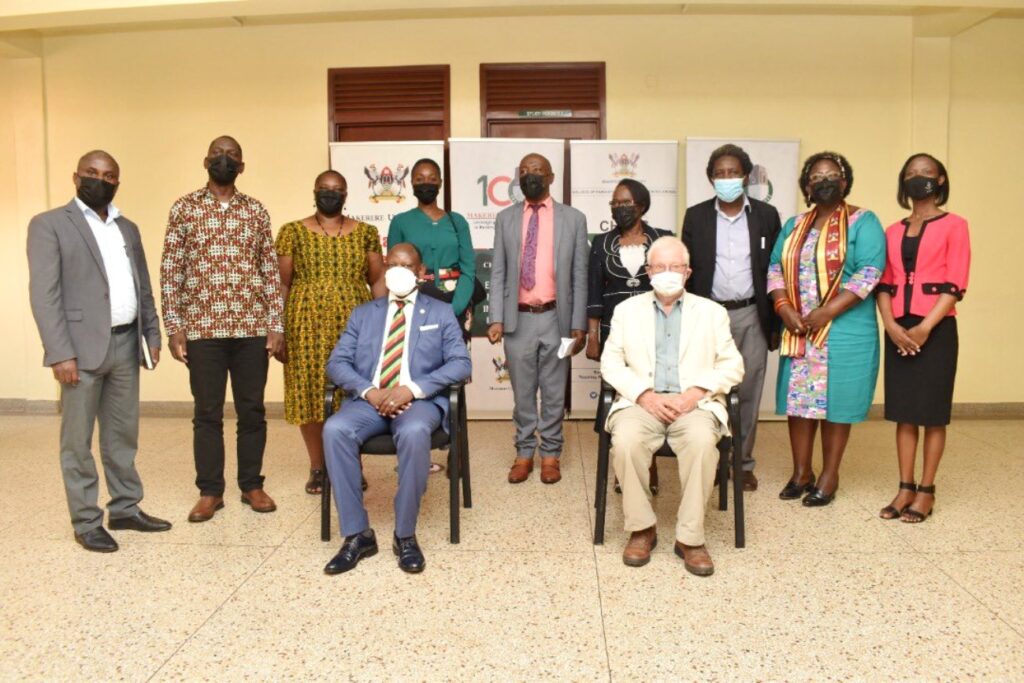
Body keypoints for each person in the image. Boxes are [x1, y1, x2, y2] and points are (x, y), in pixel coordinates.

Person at [27, 150, 171, 552]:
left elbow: (142, 286)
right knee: (77, 440)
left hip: (126, 344)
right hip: (79, 348)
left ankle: (125, 508)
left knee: (122, 435)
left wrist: (152, 333)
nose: (100, 180)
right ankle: (87, 520)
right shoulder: (50, 225)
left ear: (117, 183)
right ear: (76, 177)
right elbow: (45, 294)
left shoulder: (128, 228)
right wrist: (60, 353)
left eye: (108, 175)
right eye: (92, 173)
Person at [321, 243, 472, 575]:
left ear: (421, 273)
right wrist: (370, 391)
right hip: (369, 402)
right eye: (393, 265)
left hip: (417, 402)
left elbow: (461, 364)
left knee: (416, 431)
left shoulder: (440, 312)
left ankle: (404, 534)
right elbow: (337, 363)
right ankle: (357, 535)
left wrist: (411, 389)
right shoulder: (364, 313)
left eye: (407, 266)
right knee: (334, 429)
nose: (399, 271)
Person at [601, 237, 743, 576]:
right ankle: (641, 528)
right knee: (626, 442)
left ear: (688, 272)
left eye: (675, 267)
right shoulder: (626, 311)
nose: (667, 273)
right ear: (647, 272)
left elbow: (733, 365)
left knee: (701, 444)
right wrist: (644, 396)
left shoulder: (712, 312)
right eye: (659, 267)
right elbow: (610, 364)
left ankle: (690, 538)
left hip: (693, 404)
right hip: (642, 401)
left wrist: (694, 394)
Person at [160, 135, 285, 523]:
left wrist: (275, 324)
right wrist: (174, 325)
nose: (224, 160)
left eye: (232, 156)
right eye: (217, 154)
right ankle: (210, 492)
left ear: (242, 166)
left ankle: (251, 485)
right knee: (207, 414)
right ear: (205, 161)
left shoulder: (256, 212)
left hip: (250, 328)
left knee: (252, 411)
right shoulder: (184, 209)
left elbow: (270, 272)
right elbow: (170, 270)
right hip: (203, 329)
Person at [768, 151, 886, 506]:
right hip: (800, 330)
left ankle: (829, 475)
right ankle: (801, 472)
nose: (824, 181)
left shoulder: (864, 222)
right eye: (816, 177)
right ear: (807, 185)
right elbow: (775, 267)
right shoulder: (793, 225)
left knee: (837, 404)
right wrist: (783, 306)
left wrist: (827, 312)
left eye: (832, 175)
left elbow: (869, 272)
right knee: (799, 403)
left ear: (845, 182)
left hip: (844, 331)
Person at [276, 170, 385, 495]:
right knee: (310, 396)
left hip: (356, 325)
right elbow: (281, 284)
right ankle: (319, 467)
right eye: (324, 189)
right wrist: (277, 329)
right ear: (314, 191)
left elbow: (377, 279)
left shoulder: (365, 232)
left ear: (346, 194)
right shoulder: (291, 232)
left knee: (354, 393)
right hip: (304, 327)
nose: (330, 194)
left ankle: (353, 465)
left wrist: (382, 325)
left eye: (337, 189)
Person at [682, 144, 783, 492]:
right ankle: (709, 457)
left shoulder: (767, 216)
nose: (727, 179)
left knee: (749, 390)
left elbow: (775, 270)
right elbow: (688, 272)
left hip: (753, 312)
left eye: (733, 172)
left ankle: (741, 463)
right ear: (710, 178)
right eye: (720, 173)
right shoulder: (695, 217)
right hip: (708, 315)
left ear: (745, 176)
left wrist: (775, 323)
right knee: (708, 390)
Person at [875, 154, 969, 523]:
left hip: (937, 327)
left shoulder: (956, 225)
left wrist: (925, 328)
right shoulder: (892, 230)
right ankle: (905, 486)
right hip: (898, 326)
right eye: (911, 174)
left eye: (925, 173)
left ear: (941, 180)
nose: (918, 179)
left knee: (931, 414)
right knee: (903, 413)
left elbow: (955, 283)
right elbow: (884, 283)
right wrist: (891, 325)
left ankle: (926, 491)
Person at [488, 153, 589, 485]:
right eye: (524, 172)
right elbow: (499, 271)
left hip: (557, 319)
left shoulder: (573, 219)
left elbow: (579, 274)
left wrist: (577, 324)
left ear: (551, 177)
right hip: (518, 320)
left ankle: (550, 455)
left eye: (537, 171)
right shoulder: (505, 219)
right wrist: (496, 318)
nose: (530, 176)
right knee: (523, 392)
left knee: (555, 391)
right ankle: (524, 452)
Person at [586, 179, 672, 492]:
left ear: (642, 206)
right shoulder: (601, 242)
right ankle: (625, 466)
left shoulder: (663, 239)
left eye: (626, 203)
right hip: (614, 334)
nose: (619, 208)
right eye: (615, 203)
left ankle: (649, 466)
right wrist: (593, 334)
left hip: (656, 333)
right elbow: (594, 289)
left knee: (650, 396)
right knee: (620, 399)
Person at [387, 157, 477, 338]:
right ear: (411, 183)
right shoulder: (400, 222)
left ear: (440, 183)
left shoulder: (457, 221)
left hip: (454, 301)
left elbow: (468, 269)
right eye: (420, 179)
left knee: (455, 360)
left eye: (432, 179)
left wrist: (455, 308)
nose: (426, 183)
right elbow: (394, 270)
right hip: (414, 301)